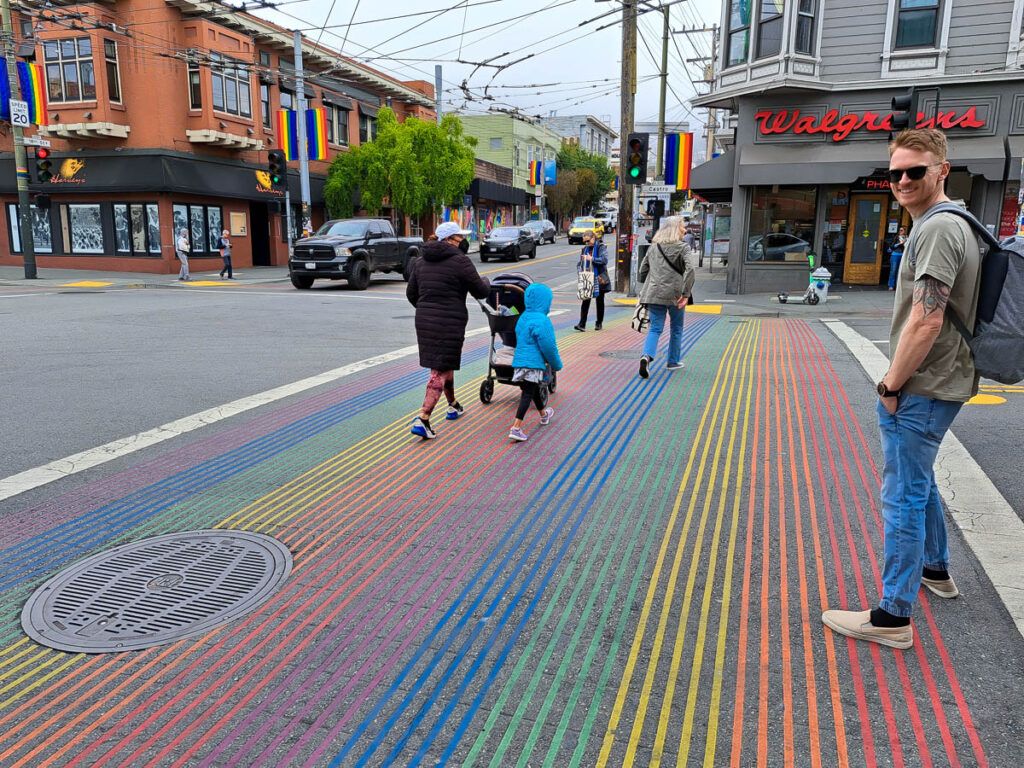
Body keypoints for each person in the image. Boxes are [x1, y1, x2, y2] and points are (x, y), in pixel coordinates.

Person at [822, 128, 982, 650]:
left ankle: (893, 616)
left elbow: (927, 320)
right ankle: (935, 568)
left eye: (916, 170)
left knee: (903, 495)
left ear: (942, 170)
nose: (904, 181)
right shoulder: (954, 222)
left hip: (922, 385)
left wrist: (890, 384)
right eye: (896, 173)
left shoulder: (936, 229)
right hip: (942, 380)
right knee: (920, 480)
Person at [406, 221, 490, 440]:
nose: (462, 241)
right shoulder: (460, 262)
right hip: (450, 321)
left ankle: (453, 405)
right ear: (447, 240)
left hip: (424, 320)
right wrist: (486, 281)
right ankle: (423, 418)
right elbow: (480, 290)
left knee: (443, 363)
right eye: (458, 238)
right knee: (440, 370)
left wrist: (427, 309)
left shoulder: (420, 261)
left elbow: (411, 294)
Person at [637, 215, 696, 378]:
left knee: (655, 328)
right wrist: (686, 293)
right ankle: (672, 361)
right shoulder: (683, 247)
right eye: (683, 226)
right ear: (676, 229)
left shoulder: (654, 247)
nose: (685, 229)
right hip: (675, 294)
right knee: (676, 328)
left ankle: (646, 356)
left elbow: (642, 269)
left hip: (654, 292)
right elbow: (690, 270)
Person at [508, 282, 563, 442]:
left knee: (531, 390)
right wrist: (556, 364)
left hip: (519, 363)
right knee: (527, 394)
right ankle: (516, 427)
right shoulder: (542, 320)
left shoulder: (523, 317)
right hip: (533, 364)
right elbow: (548, 346)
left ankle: (544, 415)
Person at [574, 231, 609, 332]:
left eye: (588, 241)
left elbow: (604, 260)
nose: (587, 243)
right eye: (585, 241)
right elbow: (580, 263)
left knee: (600, 300)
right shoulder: (585, 249)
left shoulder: (601, 247)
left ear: (594, 238)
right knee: (585, 299)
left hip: (598, 277)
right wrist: (579, 271)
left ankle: (599, 323)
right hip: (587, 277)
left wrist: (591, 259)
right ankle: (582, 324)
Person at [887, 225, 908, 290]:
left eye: (901, 230)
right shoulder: (896, 237)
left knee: (901, 271)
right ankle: (891, 285)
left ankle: (899, 285)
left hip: (903, 255)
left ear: (905, 231)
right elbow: (892, 246)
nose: (900, 232)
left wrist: (905, 243)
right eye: (899, 230)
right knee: (893, 270)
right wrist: (899, 244)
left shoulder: (907, 238)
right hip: (895, 255)